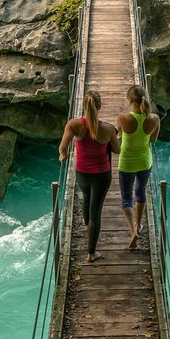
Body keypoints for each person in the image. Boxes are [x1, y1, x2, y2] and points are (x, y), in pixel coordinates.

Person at [59, 90, 120, 262]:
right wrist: (115, 137)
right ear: (99, 107)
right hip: (102, 174)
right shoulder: (107, 129)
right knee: (96, 211)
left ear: (83, 106)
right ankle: (91, 252)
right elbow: (117, 150)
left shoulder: (74, 125)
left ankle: (87, 226)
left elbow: (63, 147)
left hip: (82, 173)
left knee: (86, 197)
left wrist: (62, 155)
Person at [116, 84, 160, 249]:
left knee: (126, 198)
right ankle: (139, 224)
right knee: (140, 193)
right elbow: (153, 140)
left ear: (129, 100)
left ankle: (132, 230)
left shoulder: (122, 118)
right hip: (144, 161)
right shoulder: (154, 118)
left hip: (126, 162)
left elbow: (119, 134)